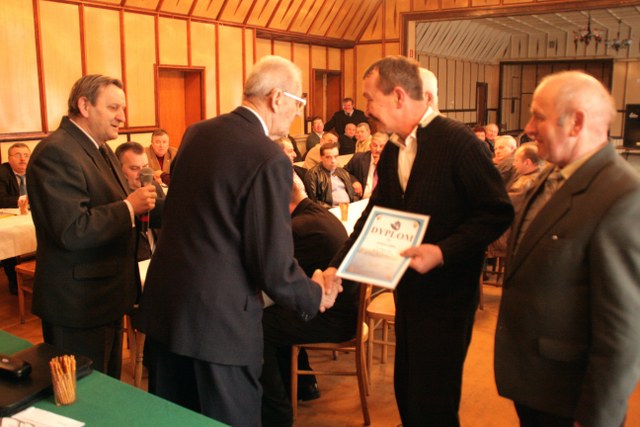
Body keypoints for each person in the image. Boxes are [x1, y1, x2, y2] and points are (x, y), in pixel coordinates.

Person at [136, 56, 339, 427]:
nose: (297, 113)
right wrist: (314, 294)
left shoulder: (197, 133)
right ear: (277, 97)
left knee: (174, 420)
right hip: (220, 326)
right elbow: (271, 264)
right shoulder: (269, 158)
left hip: (169, 312)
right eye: (298, 103)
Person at [325, 56, 513, 426]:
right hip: (408, 293)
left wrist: (442, 251)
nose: (366, 109)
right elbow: (375, 214)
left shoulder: (459, 142)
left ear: (398, 96)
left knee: (435, 404)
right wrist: (337, 266)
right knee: (408, 393)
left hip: (448, 298)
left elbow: (496, 213)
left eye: (370, 98)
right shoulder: (394, 148)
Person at [495, 70, 640, 427]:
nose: (529, 128)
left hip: (570, 398)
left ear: (576, 122)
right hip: (538, 383)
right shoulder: (553, 173)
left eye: (538, 117)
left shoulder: (623, 197)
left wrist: (597, 418)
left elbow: (623, 332)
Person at [26, 74, 157, 378]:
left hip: (105, 296)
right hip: (78, 305)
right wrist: (129, 207)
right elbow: (71, 229)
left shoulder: (100, 148)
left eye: (123, 109)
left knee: (106, 386)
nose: (122, 117)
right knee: (84, 393)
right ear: (84, 106)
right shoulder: (56, 151)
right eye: (113, 108)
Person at [261, 182, 357, 427]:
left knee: (259, 326)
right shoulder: (320, 214)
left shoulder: (298, 228)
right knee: (280, 314)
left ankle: (275, 410)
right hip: (346, 311)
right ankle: (304, 384)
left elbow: (279, 281)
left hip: (334, 319)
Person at [115, 141, 166, 261]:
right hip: (134, 262)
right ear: (118, 169)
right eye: (134, 168)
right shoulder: (115, 197)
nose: (142, 174)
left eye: (145, 167)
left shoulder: (155, 187)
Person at [0, 143, 31, 295]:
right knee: (10, 240)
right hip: (9, 217)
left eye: (26, 155)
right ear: (9, 158)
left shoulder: (36, 170)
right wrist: (25, 200)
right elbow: (1, 199)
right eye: (17, 155)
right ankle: (13, 280)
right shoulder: (2, 172)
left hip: (30, 216)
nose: (22, 159)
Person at [305, 142, 357, 208]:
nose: (333, 161)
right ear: (321, 158)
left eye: (335, 156)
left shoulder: (343, 172)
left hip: (349, 207)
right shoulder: (313, 174)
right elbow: (314, 201)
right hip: (329, 210)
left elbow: (352, 194)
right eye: (328, 157)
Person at [345, 131, 388, 199]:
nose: (378, 149)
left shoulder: (392, 162)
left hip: (384, 201)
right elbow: (344, 172)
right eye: (375, 145)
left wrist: (382, 165)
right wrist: (354, 181)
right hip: (362, 199)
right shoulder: (359, 158)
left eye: (381, 146)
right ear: (370, 146)